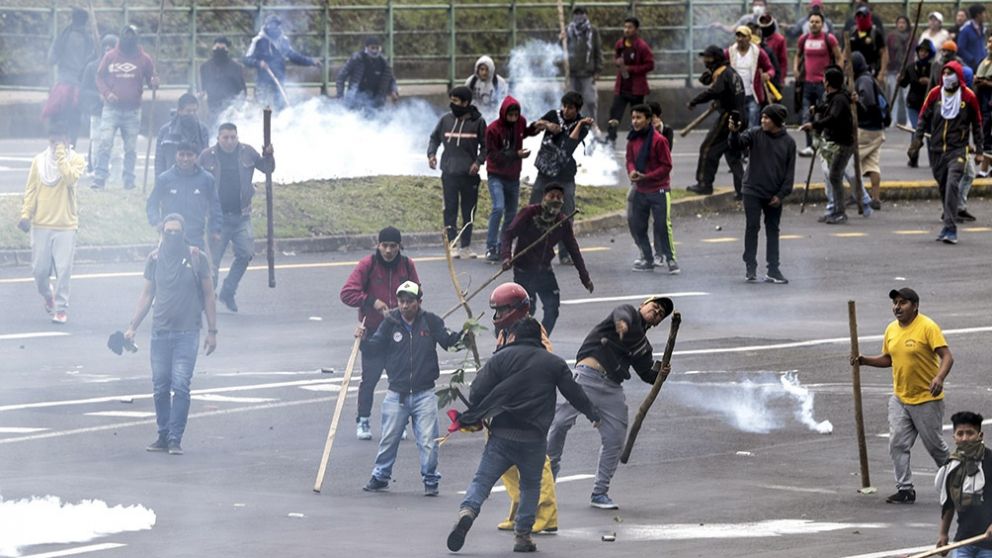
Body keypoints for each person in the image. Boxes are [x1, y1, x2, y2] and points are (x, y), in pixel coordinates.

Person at [445, 318, 600, 554]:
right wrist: (593, 414)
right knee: (529, 486)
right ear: (539, 337)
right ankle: (523, 536)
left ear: (514, 336)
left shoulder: (501, 358)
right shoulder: (553, 363)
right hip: (534, 439)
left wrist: (485, 408)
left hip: (502, 436)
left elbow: (476, 392)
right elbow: (574, 393)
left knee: (482, 481)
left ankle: (468, 511)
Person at [547, 296, 672, 510]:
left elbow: (646, 373)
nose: (656, 313)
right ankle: (545, 482)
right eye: (655, 307)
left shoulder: (643, 345)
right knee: (559, 425)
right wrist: (622, 325)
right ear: (643, 304)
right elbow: (621, 315)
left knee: (615, 437)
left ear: (658, 322)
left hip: (612, 388)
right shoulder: (628, 313)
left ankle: (600, 493)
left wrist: (661, 371)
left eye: (660, 314)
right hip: (587, 377)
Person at [124, 213, 217, 456]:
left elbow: (209, 295)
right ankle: (163, 435)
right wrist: (133, 326)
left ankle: (176, 438)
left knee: (181, 385)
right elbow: (146, 295)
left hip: (187, 332)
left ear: (183, 233)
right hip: (160, 332)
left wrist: (212, 331)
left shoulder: (197, 258)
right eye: (168, 232)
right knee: (160, 386)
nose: (172, 236)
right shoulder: (154, 259)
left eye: (177, 232)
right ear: (161, 233)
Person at [359, 281, 462, 496]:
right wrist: (363, 339)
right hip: (397, 393)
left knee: (428, 441)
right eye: (401, 301)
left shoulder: (431, 321)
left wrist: (465, 333)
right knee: (389, 438)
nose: (405, 306)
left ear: (419, 302)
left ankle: (430, 479)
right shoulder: (390, 323)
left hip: (425, 393)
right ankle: (380, 476)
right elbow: (374, 348)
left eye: (410, 301)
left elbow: (448, 342)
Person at [852, 288, 952, 505]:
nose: (897, 307)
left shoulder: (927, 327)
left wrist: (939, 378)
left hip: (927, 399)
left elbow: (947, 357)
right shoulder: (891, 330)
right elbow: (889, 359)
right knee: (897, 443)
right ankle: (905, 489)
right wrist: (864, 360)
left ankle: (959, 483)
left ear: (915, 306)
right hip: (900, 398)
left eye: (903, 303)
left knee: (935, 446)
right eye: (895, 303)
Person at [485, 284, 557, 535]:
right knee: (505, 462)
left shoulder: (532, 330)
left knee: (536, 464)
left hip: (528, 407)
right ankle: (519, 511)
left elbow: (545, 360)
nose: (497, 316)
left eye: (502, 310)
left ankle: (546, 515)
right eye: (496, 311)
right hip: (505, 405)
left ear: (516, 309)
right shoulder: (504, 332)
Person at [339, 226, 420, 440]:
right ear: (378, 245)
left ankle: (400, 422)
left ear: (399, 247)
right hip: (374, 331)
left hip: (399, 330)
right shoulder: (368, 264)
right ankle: (363, 420)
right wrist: (371, 302)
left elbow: (417, 292)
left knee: (400, 379)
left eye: (393, 246)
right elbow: (347, 293)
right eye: (385, 245)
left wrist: (406, 308)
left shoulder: (406, 265)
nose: (388, 250)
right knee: (370, 378)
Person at [199, 122, 275, 312]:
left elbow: (267, 169)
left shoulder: (247, 152)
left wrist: (269, 155)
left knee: (246, 253)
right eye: (225, 137)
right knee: (212, 262)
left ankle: (228, 291)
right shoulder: (207, 156)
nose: (230, 141)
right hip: (218, 218)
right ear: (218, 138)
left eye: (233, 137)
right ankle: (206, 299)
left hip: (242, 216)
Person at [501, 183, 594, 334]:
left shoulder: (562, 222)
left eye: (559, 197)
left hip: (545, 271)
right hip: (524, 271)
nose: (555, 200)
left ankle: (541, 341)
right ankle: (513, 338)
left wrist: (585, 278)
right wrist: (506, 257)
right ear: (544, 197)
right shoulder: (529, 213)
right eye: (552, 196)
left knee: (552, 309)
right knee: (527, 311)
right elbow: (508, 234)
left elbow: (574, 250)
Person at [910, 61, 984, 244]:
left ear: (958, 76)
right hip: (936, 150)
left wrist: (980, 150)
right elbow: (922, 118)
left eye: (951, 73)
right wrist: (917, 141)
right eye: (945, 73)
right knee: (943, 187)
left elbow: (978, 125)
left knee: (952, 184)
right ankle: (948, 223)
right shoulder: (935, 94)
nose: (947, 76)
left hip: (957, 150)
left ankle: (951, 228)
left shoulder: (968, 97)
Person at [17, 128, 86, 324]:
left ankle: (61, 308)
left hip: (66, 225)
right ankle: (48, 295)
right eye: (53, 139)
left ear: (68, 139)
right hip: (41, 224)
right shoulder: (39, 161)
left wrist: (62, 156)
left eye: (60, 139)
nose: (56, 143)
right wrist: (25, 214)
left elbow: (70, 179)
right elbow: (31, 190)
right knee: (40, 271)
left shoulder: (76, 159)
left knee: (64, 270)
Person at [729, 104, 794, 284]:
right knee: (752, 227)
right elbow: (737, 144)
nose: (763, 120)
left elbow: (789, 175)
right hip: (752, 190)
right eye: (762, 117)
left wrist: (780, 195)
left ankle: (773, 269)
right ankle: (750, 266)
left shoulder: (788, 143)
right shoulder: (755, 133)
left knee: (773, 230)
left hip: (774, 194)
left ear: (777, 121)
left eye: (767, 118)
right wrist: (734, 132)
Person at [529, 91, 595, 264]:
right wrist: (546, 125)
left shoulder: (583, 125)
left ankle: (565, 253)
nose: (566, 110)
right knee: (534, 209)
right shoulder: (553, 115)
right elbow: (533, 128)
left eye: (571, 108)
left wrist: (579, 124)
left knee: (566, 214)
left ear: (577, 109)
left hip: (565, 175)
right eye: (564, 106)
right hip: (545, 171)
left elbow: (569, 146)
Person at [93, 25, 158, 190]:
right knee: (105, 142)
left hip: (133, 110)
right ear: (121, 37)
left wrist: (154, 83)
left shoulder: (145, 59)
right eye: (126, 36)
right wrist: (107, 94)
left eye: (132, 36)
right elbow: (99, 77)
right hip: (111, 109)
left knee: (130, 148)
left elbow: (151, 81)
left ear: (137, 38)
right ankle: (100, 177)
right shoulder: (110, 56)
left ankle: (129, 179)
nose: (129, 39)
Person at [428, 86, 487, 259]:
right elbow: (434, 138)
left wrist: (478, 162)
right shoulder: (445, 120)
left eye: (456, 101)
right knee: (450, 210)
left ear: (466, 103)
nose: (452, 104)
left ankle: (466, 246)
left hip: (469, 175)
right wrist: (431, 154)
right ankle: (452, 244)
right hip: (449, 173)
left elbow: (486, 146)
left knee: (469, 211)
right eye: (451, 100)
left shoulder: (478, 122)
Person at [483, 96, 542, 262]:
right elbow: (493, 155)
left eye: (516, 115)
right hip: (496, 174)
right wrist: (516, 154)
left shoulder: (520, 122)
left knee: (511, 213)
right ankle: (491, 245)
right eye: (510, 115)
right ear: (504, 113)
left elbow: (526, 132)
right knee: (498, 207)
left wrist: (536, 127)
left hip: (513, 176)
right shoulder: (493, 129)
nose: (513, 118)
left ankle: (504, 245)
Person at [686, 45, 746, 197]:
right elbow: (724, 91)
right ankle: (743, 191)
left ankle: (704, 184)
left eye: (708, 58)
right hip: (740, 116)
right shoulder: (729, 71)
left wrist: (694, 101)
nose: (705, 61)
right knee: (733, 156)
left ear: (716, 59)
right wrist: (719, 102)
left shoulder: (723, 73)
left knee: (708, 148)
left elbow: (713, 91)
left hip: (728, 117)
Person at [625, 104, 678, 274]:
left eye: (639, 118)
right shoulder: (632, 139)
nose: (635, 121)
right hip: (640, 189)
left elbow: (666, 166)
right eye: (633, 118)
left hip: (659, 189)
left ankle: (670, 258)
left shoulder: (659, 140)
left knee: (662, 225)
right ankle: (648, 258)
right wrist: (632, 171)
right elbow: (629, 159)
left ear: (648, 120)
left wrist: (646, 176)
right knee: (638, 226)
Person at [801, 66, 856, 224]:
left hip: (843, 145)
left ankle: (840, 212)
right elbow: (827, 107)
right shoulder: (835, 97)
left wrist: (814, 125)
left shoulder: (839, 99)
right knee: (834, 176)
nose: (822, 81)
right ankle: (835, 210)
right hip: (837, 143)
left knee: (834, 176)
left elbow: (832, 118)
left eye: (825, 79)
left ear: (829, 83)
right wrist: (816, 108)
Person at [935, 411, 992, 556]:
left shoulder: (991, 461)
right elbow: (949, 503)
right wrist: (943, 534)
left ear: (980, 435)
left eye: (970, 433)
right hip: (964, 540)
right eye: (960, 434)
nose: (965, 438)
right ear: (954, 437)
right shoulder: (952, 466)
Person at [146, 142, 220, 251]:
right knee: (165, 266)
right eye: (181, 154)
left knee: (202, 266)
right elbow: (152, 203)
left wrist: (216, 229)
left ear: (196, 156)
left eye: (189, 155)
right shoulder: (164, 179)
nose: (185, 159)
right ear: (176, 155)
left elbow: (215, 206)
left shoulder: (207, 179)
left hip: (196, 236)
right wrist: (156, 221)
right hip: (170, 235)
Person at [243, 15, 321, 110]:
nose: (274, 28)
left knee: (280, 108)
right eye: (271, 25)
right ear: (266, 26)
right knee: (262, 108)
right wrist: (258, 63)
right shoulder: (258, 41)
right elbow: (246, 59)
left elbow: (294, 56)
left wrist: (311, 62)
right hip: (263, 82)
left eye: (276, 25)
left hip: (279, 81)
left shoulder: (283, 41)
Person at [43, 7, 94, 147]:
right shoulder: (90, 41)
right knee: (75, 122)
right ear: (86, 22)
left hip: (63, 86)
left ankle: (57, 147)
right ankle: (71, 146)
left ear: (72, 19)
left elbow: (51, 59)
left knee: (57, 119)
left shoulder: (63, 37)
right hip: (80, 87)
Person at [796, 12, 842, 156]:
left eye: (817, 22)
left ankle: (825, 143)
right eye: (811, 21)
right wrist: (796, 68)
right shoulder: (803, 39)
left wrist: (837, 76)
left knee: (823, 116)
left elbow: (839, 57)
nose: (814, 24)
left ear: (822, 24)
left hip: (824, 85)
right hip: (808, 83)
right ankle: (810, 146)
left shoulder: (829, 39)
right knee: (806, 115)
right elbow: (797, 55)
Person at [606, 17, 654, 145]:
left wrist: (631, 69)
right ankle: (611, 138)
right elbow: (616, 57)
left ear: (636, 30)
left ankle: (639, 139)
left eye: (630, 27)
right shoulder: (620, 44)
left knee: (637, 116)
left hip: (636, 88)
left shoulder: (642, 46)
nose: (627, 30)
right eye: (625, 27)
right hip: (622, 86)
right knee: (615, 113)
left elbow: (650, 65)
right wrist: (617, 62)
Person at [852, 52, 887, 210]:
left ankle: (860, 196)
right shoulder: (868, 78)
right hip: (877, 129)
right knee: (872, 163)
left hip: (865, 128)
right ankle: (876, 197)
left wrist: (856, 104)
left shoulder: (863, 80)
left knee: (852, 163)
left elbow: (867, 102)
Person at [79, 34, 117, 173]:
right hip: (97, 111)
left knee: (116, 146)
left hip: (117, 112)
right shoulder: (92, 67)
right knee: (96, 143)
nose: (108, 49)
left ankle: (115, 175)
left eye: (111, 47)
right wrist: (99, 96)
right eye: (105, 46)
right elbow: (84, 90)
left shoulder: (123, 68)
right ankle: (96, 172)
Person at [728, 26, 776, 127]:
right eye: (738, 36)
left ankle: (752, 142)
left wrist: (768, 75)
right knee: (737, 126)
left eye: (743, 36)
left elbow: (770, 68)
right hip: (736, 95)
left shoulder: (758, 52)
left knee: (752, 125)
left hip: (752, 95)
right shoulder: (731, 52)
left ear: (749, 38)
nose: (740, 39)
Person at [335, 36, 399, 111]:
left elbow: (391, 79)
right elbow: (341, 77)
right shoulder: (356, 59)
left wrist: (394, 91)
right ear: (366, 48)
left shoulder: (383, 63)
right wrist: (340, 96)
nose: (375, 51)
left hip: (376, 99)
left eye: (377, 48)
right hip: (356, 97)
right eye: (372, 48)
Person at [155, 94, 211, 178]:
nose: (192, 114)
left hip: (195, 177)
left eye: (194, 111)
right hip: (171, 177)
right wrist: (159, 181)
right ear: (179, 111)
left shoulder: (203, 130)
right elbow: (159, 160)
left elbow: (205, 157)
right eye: (188, 111)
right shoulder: (165, 131)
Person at [565, 6, 603, 124]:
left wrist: (598, 70)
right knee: (570, 102)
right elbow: (560, 51)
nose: (579, 16)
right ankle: (571, 124)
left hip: (587, 73)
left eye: (582, 13)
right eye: (577, 13)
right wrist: (561, 39)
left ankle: (592, 124)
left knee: (590, 101)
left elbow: (598, 51)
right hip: (572, 73)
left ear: (586, 15)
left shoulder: (593, 31)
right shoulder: (567, 30)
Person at [198, 37, 247, 125]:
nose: (219, 51)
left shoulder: (236, 67)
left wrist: (237, 107)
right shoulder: (205, 67)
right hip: (212, 107)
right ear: (213, 49)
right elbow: (202, 89)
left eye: (222, 48)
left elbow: (242, 91)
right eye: (217, 48)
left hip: (231, 109)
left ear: (227, 50)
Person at [899, 39, 936, 138]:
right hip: (913, 103)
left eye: (925, 51)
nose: (923, 53)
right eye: (921, 51)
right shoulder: (911, 67)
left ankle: (932, 153)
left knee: (929, 133)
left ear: (930, 53)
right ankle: (914, 152)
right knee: (916, 130)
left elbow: (939, 85)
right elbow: (904, 84)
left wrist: (929, 81)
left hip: (928, 105)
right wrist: (900, 79)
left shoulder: (934, 68)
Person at [886, 16, 912, 127]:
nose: (901, 25)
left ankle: (909, 120)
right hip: (893, 69)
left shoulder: (911, 37)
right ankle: (893, 119)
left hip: (907, 70)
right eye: (899, 22)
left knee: (906, 96)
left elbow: (911, 54)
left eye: (903, 22)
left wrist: (907, 69)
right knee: (894, 96)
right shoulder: (891, 37)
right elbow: (888, 53)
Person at [850, 5, 889, 78]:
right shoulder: (853, 33)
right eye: (859, 16)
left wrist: (882, 73)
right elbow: (846, 53)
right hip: (855, 72)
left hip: (873, 71)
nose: (861, 19)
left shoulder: (875, 33)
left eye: (863, 16)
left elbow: (884, 53)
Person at [758, 14, 788, 94]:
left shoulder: (779, 39)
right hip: (760, 76)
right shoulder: (757, 39)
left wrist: (782, 79)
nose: (764, 24)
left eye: (766, 22)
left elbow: (783, 61)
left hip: (775, 77)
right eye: (762, 22)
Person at [975, 37, 992, 176]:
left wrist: (988, 83)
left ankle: (984, 169)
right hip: (983, 101)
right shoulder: (983, 61)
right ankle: (985, 169)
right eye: (989, 41)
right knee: (985, 134)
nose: (990, 44)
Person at [956, 4, 987, 71]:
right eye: (983, 13)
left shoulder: (982, 29)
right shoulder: (965, 30)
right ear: (978, 15)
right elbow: (960, 48)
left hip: (982, 65)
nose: (985, 16)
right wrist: (972, 60)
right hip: (970, 66)